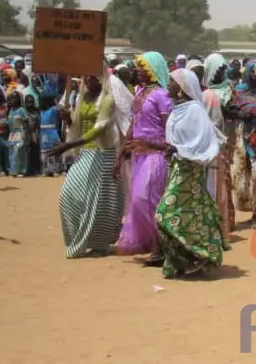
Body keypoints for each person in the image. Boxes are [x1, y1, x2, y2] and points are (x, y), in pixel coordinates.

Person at [150, 69, 225, 278]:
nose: (169, 85)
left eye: (173, 82)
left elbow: (202, 141)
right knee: (190, 214)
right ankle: (189, 259)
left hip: (190, 170)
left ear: (183, 88)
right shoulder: (177, 110)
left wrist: (179, 150)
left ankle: (198, 254)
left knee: (164, 214)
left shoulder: (194, 111)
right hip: (176, 168)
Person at [50, 70, 126, 258]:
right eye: (87, 76)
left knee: (100, 203)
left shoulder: (108, 99)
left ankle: (100, 244)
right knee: (67, 196)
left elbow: (100, 128)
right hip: (85, 153)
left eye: (94, 76)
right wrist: (67, 117)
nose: (89, 79)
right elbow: (76, 125)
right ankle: (78, 239)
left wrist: (69, 145)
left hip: (102, 153)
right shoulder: (82, 97)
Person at [116, 51, 171, 259]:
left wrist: (155, 145)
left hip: (156, 154)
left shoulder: (162, 95)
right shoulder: (139, 92)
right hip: (139, 155)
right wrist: (120, 153)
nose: (137, 70)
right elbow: (133, 122)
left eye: (141, 67)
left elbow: (169, 130)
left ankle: (161, 247)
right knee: (139, 201)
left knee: (147, 199)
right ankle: (152, 243)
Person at [203, 53, 235, 240]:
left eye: (222, 69)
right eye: (217, 70)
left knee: (224, 178)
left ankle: (226, 220)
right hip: (208, 139)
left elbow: (234, 109)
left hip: (226, 135)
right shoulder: (202, 92)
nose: (220, 73)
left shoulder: (229, 88)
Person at [227, 61, 256, 223]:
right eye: (252, 72)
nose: (255, 75)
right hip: (242, 134)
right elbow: (231, 111)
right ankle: (245, 205)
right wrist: (242, 115)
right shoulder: (238, 91)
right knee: (240, 172)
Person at [39, 93, 65, 176]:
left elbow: (61, 109)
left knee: (55, 151)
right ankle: (47, 170)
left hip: (52, 132)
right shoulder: (41, 112)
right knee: (45, 152)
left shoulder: (53, 109)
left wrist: (56, 101)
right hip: (43, 133)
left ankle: (56, 169)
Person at [6, 91, 28, 177]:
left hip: (20, 133)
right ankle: (14, 170)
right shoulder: (11, 110)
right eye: (11, 98)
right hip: (12, 134)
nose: (12, 99)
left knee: (19, 152)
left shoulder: (21, 110)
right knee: (12, 153)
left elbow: (26, 122)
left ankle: (22, 170)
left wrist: (25, 134)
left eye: (14, 98)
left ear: (19, 99)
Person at [24, 93, 41, 176]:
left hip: (34, 133)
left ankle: (35, 169)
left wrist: (37, 135)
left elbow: (37, 124)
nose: (30, 104)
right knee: (26, 152)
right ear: (25, 103)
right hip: (25, 133)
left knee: (35, 151)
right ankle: (27, 170)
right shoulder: (22, 111)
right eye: (28, 102)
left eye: (31, 102)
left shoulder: (36, 112)